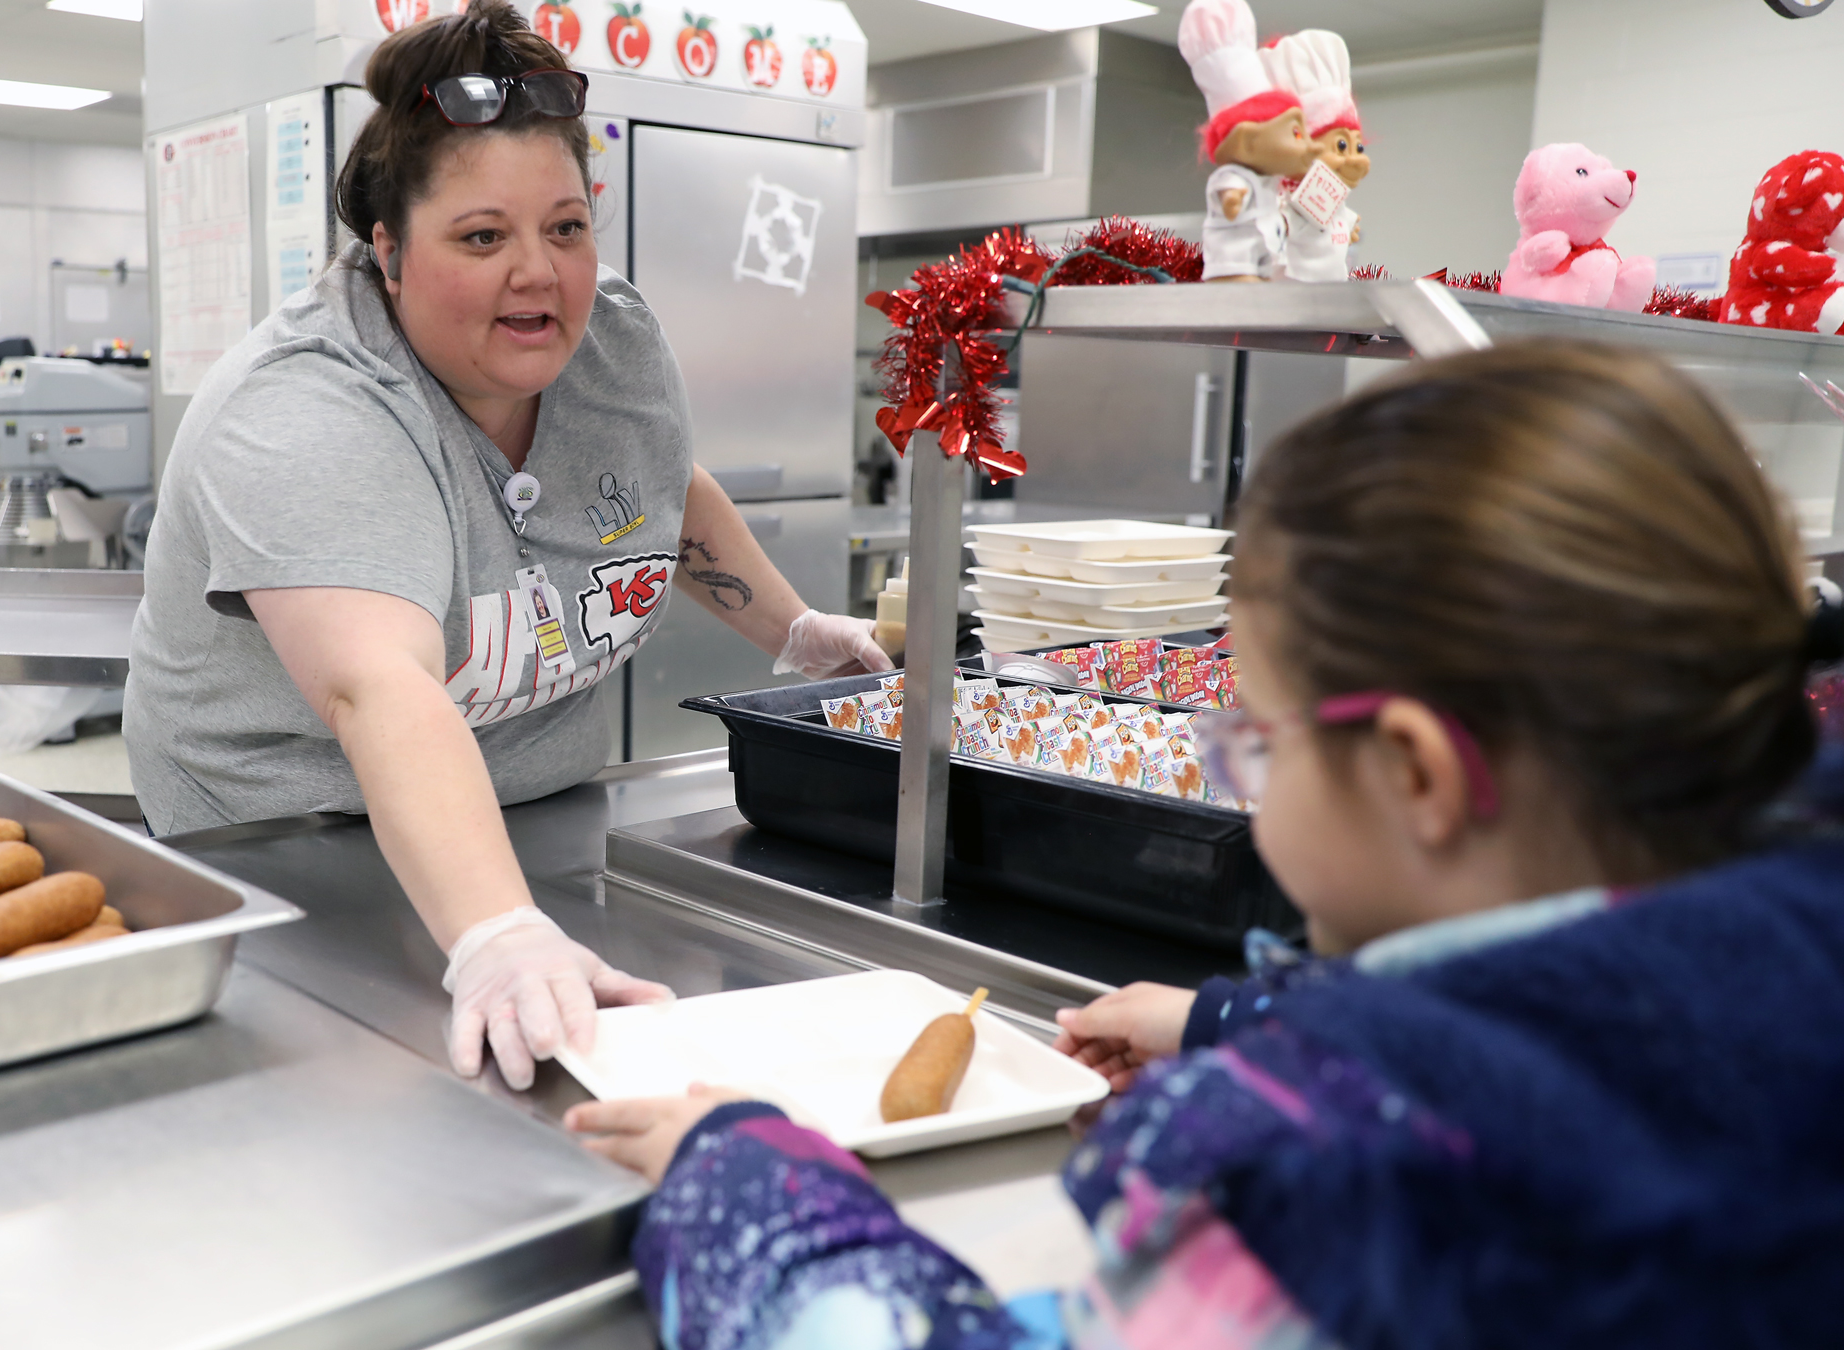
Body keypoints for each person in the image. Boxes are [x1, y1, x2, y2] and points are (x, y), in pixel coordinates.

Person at [567, 343, 1844, 1348]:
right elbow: (1562, 1015)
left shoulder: (1313, 1174)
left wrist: (753, 1195)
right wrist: (1239, 1019)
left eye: (1258, 742)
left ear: (1415, 774)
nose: (1241, 774)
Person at [124, 0, 889, 1090]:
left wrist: (794, 629)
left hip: (539, 825)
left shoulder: (610, 341)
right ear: (389, 251)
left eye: (565, 228)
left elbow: (660, 491)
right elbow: (379, 690)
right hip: (280, 859)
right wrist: (498, 935)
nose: (539, 273)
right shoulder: (307, 409)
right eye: (482, 237)